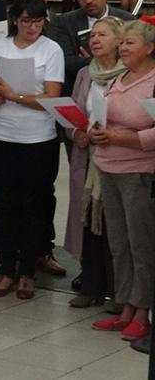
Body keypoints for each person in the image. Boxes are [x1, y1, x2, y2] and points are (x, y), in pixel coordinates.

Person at [0, 0, 64, 300]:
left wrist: (14, 96)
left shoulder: (51, 50)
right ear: (15, 20)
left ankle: (27, 271)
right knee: (6, 204)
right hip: (0, 136)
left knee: (33, 206)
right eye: (26, 21)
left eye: (38, 21)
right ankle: (6, 269)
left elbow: (53, 99)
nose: (32, 27)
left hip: (37, 140)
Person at [90, 19, 155, 343]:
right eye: (123, 43)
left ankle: (143, 311)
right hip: (108, 168)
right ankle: (125, 305)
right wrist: (96, 130)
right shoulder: (120, 78)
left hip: (139, 172)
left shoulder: (153, 81)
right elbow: (104, 115)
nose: (124, 48)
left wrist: (120, 138)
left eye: (130, 43)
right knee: (119, 245)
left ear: (149, 48)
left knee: (141, 244)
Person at [64, 16, 126, 308]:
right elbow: (72, 115)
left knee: (115, 224)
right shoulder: (85, 74)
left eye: (102, 34)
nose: (95, 40)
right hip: (88, 158)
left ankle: (118, 290)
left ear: (118, 40)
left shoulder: (129, 74)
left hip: (118, 157)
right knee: (88, 220)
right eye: (93, 35)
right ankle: (89, 286)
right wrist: (76, 132)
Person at [17, 0, 69, 277]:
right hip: (8, 128)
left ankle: (43, 249)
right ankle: (17, 251)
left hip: (52, 124)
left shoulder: (58, 30)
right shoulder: (11, 31)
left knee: (44, 191)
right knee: (14, 193)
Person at [50, 0, 136, 100]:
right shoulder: (64, 22)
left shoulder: (128, 20)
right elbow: (65, 61)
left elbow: (136, 59)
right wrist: (107, 59)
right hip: (77, 95)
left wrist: (88, 60)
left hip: (123, 96)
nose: (88, 0)